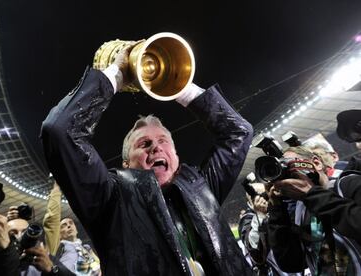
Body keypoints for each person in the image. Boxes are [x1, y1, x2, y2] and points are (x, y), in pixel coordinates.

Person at [41, 42, 254, 275]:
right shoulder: (110, 200)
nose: (156, 148)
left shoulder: (202, 186)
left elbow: (239, 133)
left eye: (163, 141)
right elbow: (60, 131)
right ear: (126, 165)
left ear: (176, 156)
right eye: (144, 144)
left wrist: (179, 86)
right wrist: (117, 75)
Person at [267, 146, 361, 275]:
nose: (287, 174)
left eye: (289, 165)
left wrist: (311, 194)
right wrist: (276, 209)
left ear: (316, 163)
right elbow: (291, 264)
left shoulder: (348, 185)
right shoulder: (300, 212)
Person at [43, 182, 101, 275]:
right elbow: (51, 220)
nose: (69, 226)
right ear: (59, 234)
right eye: (64, 225)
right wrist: (57, 189)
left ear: (77, 230)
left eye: (71, 223)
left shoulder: (87, 249)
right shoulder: (58, 247)